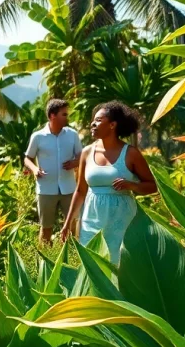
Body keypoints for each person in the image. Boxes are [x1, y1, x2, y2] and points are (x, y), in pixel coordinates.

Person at [61, 101, 157, 263]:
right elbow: (80, 191)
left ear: (112, 125)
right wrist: (68, 222)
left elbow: (152, 185)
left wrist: (132, 185)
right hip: (92, 218)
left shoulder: (131, 154)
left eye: (98, 120)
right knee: (93, 262)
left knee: (121, 264)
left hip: (122, 219)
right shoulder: (86, 152)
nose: (93, 123)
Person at [24, 98, 82, 243]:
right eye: (64, 114)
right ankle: (46, 261)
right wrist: (35, 169)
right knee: (46, 229)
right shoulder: (37, 137)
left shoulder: (72, 134)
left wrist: (75, 163)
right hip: (45, 190)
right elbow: (27, 159)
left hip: (69, 189)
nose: (67, 117)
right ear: (52, 115)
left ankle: (70, 256)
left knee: (73, 226)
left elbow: (82, 157)